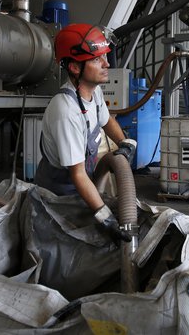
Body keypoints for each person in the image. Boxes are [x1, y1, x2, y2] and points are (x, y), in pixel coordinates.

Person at [35, 23, 137, 243]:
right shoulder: (66, 111)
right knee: (65, 243)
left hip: (83, 182)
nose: (106, 64)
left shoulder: (94, 92)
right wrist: (105, 217)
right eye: (96, 59)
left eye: (104, 57)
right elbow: (77, 174)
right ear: (74, 67)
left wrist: (124, 142)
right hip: (59, 194)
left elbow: (106, 120)